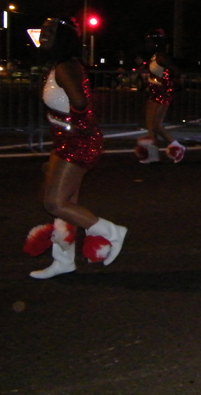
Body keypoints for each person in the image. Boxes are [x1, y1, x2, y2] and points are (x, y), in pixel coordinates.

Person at [23, 17, 128, 278]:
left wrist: (73, 126)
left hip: (77, 141)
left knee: (54, 202)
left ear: (64, 37)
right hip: (67, 139)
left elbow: (79, 103)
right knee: (67, 202)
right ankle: (63, 260)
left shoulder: (66, 66)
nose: (43, 34)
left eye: (50, 31)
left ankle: (111, 232)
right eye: (43, 30)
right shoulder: (62, 65)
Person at [135, 29, 185, 163]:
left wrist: (167, 84)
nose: (147, 45)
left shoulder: (161, 57)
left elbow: (176, 71)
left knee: (156, 124)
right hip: (153, 91)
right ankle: (153, 154)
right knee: (150, 125)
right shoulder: (154, 56)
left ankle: (177, 147)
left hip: (161, 92)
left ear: (156, 43)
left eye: (149, 42)